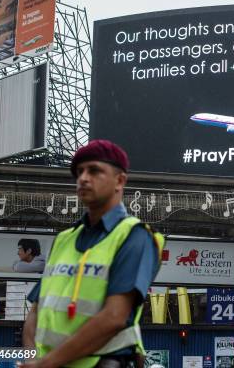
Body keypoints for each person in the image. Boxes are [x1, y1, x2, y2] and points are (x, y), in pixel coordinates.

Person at [21, 139, 164, 368]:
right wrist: (33, 358)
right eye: (79, 172)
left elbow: (114, 317)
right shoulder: (63, 239)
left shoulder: (134, 237)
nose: (83, 178)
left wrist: (47, 363)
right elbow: (35, 312)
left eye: (94, 170)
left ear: (120, 181)